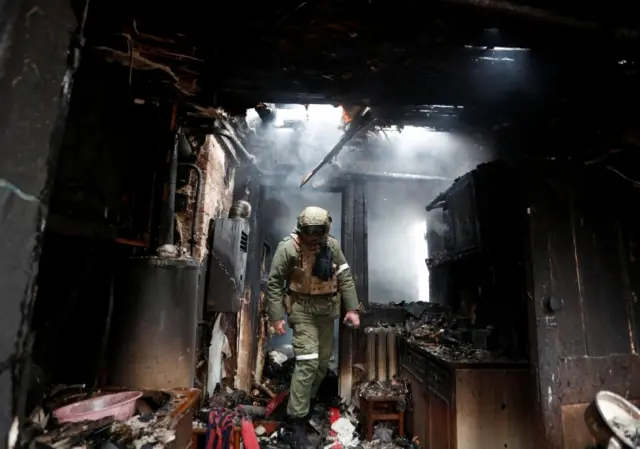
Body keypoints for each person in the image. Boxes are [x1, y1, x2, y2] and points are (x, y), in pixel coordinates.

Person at [266, 206, 360, 446]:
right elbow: (275, 283)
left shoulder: (332, 246)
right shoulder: (288, 247)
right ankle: (294, 421)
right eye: (311, 230)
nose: (315, 235)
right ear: (301, 228)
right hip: (302, 310)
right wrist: (276, 317)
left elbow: (345, 276)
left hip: (327, 312)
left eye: (320, 230)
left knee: (322, 362)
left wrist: (351, 308)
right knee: (308, 361)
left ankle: (307, 402)